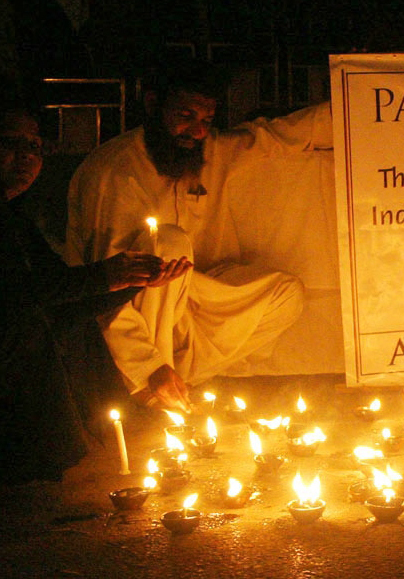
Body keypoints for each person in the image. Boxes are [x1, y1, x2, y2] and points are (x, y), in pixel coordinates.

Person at [66, 59, 331, 411]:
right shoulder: (115, 173)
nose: (197, 131)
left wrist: (364, 103)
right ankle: (146, 382)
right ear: (152, 105)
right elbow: (103, 290)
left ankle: (172, 387)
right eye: (185, 116)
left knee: (286, 296)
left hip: (190, 296)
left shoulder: (213, 151)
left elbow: (282, 136)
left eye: (206, 121)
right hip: (123, 313)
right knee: (168, 242)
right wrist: (146, 364)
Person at [0, 104, 187, 483]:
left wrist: (135, 282)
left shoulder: (15, 217)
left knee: (75, 322)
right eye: (11, 143)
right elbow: (19, 296)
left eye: (34, 147)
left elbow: (59, 290)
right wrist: (105, 276)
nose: (27, 156)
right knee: (43, 327)